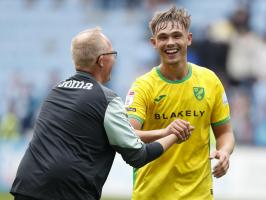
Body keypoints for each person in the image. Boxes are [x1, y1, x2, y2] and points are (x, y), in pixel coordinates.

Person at [10, 27, 193, 200]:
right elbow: (138, 155)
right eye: (113, 54)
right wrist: (175, 135)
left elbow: (121, 133)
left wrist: (163, 132)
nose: (114, 59)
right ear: (101, 60)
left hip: (27, 186)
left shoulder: (55, 91)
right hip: (68, 191)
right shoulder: (106, 99)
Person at [125, 6, 235, 200]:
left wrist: (225, 152)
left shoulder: (210, 81)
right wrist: (166, 131)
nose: (170, 43)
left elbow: (225, 132)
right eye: (163, 37)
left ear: (189, 39)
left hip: (198, 194)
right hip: (152, 194)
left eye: (177, 36)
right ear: (153, 42)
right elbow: (128, 135)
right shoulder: (143, 86)